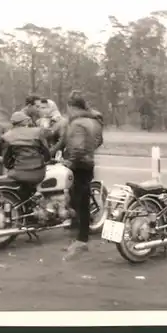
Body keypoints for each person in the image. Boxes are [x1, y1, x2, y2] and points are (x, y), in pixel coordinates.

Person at [60, 91, 104, 261]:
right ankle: (79, 238)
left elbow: (77, 148)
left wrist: (69, 162)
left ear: (72, 107)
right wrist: (89, 151)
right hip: (88, 162)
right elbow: (99, 141)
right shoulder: (94, 121)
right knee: (79, 200)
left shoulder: (78, 123)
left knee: (79, 201)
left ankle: (81, 240)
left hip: (78, 165)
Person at [1, 111, 51, 202]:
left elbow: (6, 162)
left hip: (18, 174)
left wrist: (13, 166)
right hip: (38, 173)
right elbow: (47, 155)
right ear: (25, 122)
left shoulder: (7, 136)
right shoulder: (38, 132)